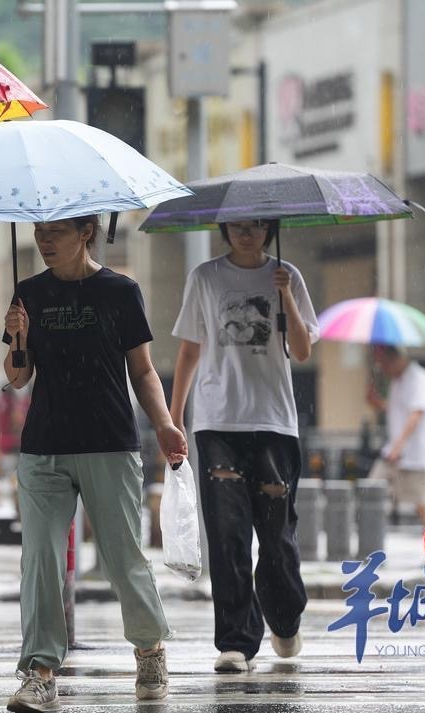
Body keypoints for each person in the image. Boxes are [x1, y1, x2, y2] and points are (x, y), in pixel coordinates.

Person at [2, 215, 187, 712]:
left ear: (86, 232)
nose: (43, 240)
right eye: (38, 231)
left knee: (122, 558)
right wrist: (17, 337)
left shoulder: (120, 292)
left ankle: (149, 650)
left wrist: (165, 423)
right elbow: (18, 378)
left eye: (55, 231)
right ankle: (40, 672)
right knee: (40, 559)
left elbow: (143, 370)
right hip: (44, 446)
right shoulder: (28, 293)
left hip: (109, 442)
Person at [169, 219, 319, 674]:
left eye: (255, 226)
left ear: (270, 229)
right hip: (217, 423)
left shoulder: (286, 274)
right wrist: (173, 418)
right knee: (228, 535)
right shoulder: (205, 277)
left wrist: (286, 296)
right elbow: (190, 351)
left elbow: (303, 349)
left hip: (274, 423)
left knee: (276, 537)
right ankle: (236, 641)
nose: (245, 233)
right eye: (236, 226)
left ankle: (285, 616)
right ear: (224, 228)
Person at [366, 345, 425, 527]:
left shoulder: (418, 378)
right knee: (370, 489)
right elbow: (398, 411)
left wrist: (399, 445)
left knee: (422, 505)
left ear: (395, 359)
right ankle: (370, 540)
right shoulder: (397, 381)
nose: (383, 369)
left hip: (413, 456)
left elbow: (416, 413)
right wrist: (379, 403)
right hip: (393, 454)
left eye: (384, 364)